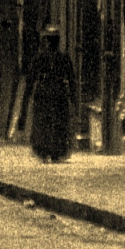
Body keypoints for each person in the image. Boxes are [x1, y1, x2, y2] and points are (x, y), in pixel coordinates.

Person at [26, 25, 76, 163]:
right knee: (55, 122)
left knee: (45, 122)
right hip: (57, 91)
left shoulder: (40, 57)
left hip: (45, 91)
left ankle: (46, 150)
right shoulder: (63, 58)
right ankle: (55, 150)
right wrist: (72, 96)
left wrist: (29, 94)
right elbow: (71, 79)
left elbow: (31, 78)